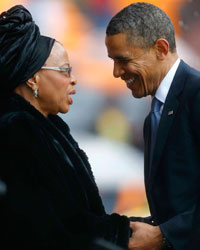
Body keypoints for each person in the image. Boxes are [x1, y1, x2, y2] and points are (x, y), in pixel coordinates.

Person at [0, 5, 133, 250]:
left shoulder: (44, 127)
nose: (73, 79)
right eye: (64, 70)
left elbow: (78, 221)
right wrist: (126, 236)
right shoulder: (17, 133)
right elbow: (49, 232)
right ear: (33, 78)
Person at [105, 2, 200, 250]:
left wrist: (163, 235)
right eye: (112, 61)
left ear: (161, 48)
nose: (116, 72)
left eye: (123, 59)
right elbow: (174, 206)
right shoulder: (154, 115)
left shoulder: (196, 95)